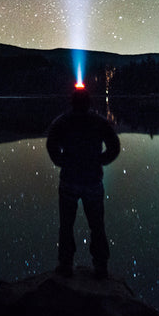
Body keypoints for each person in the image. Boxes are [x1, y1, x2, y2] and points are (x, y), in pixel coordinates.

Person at [46, 87, 120, 279]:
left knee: (66, 225)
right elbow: (114, 147)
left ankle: (65, 265)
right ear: (89, 102)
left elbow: (51, 145)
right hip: (93, 181)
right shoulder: (99, 122)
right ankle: (101, 267)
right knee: (97, 225)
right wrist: (100, 161)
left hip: (69, 181)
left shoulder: (62, 122)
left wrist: (61, 161)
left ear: (72, 102)